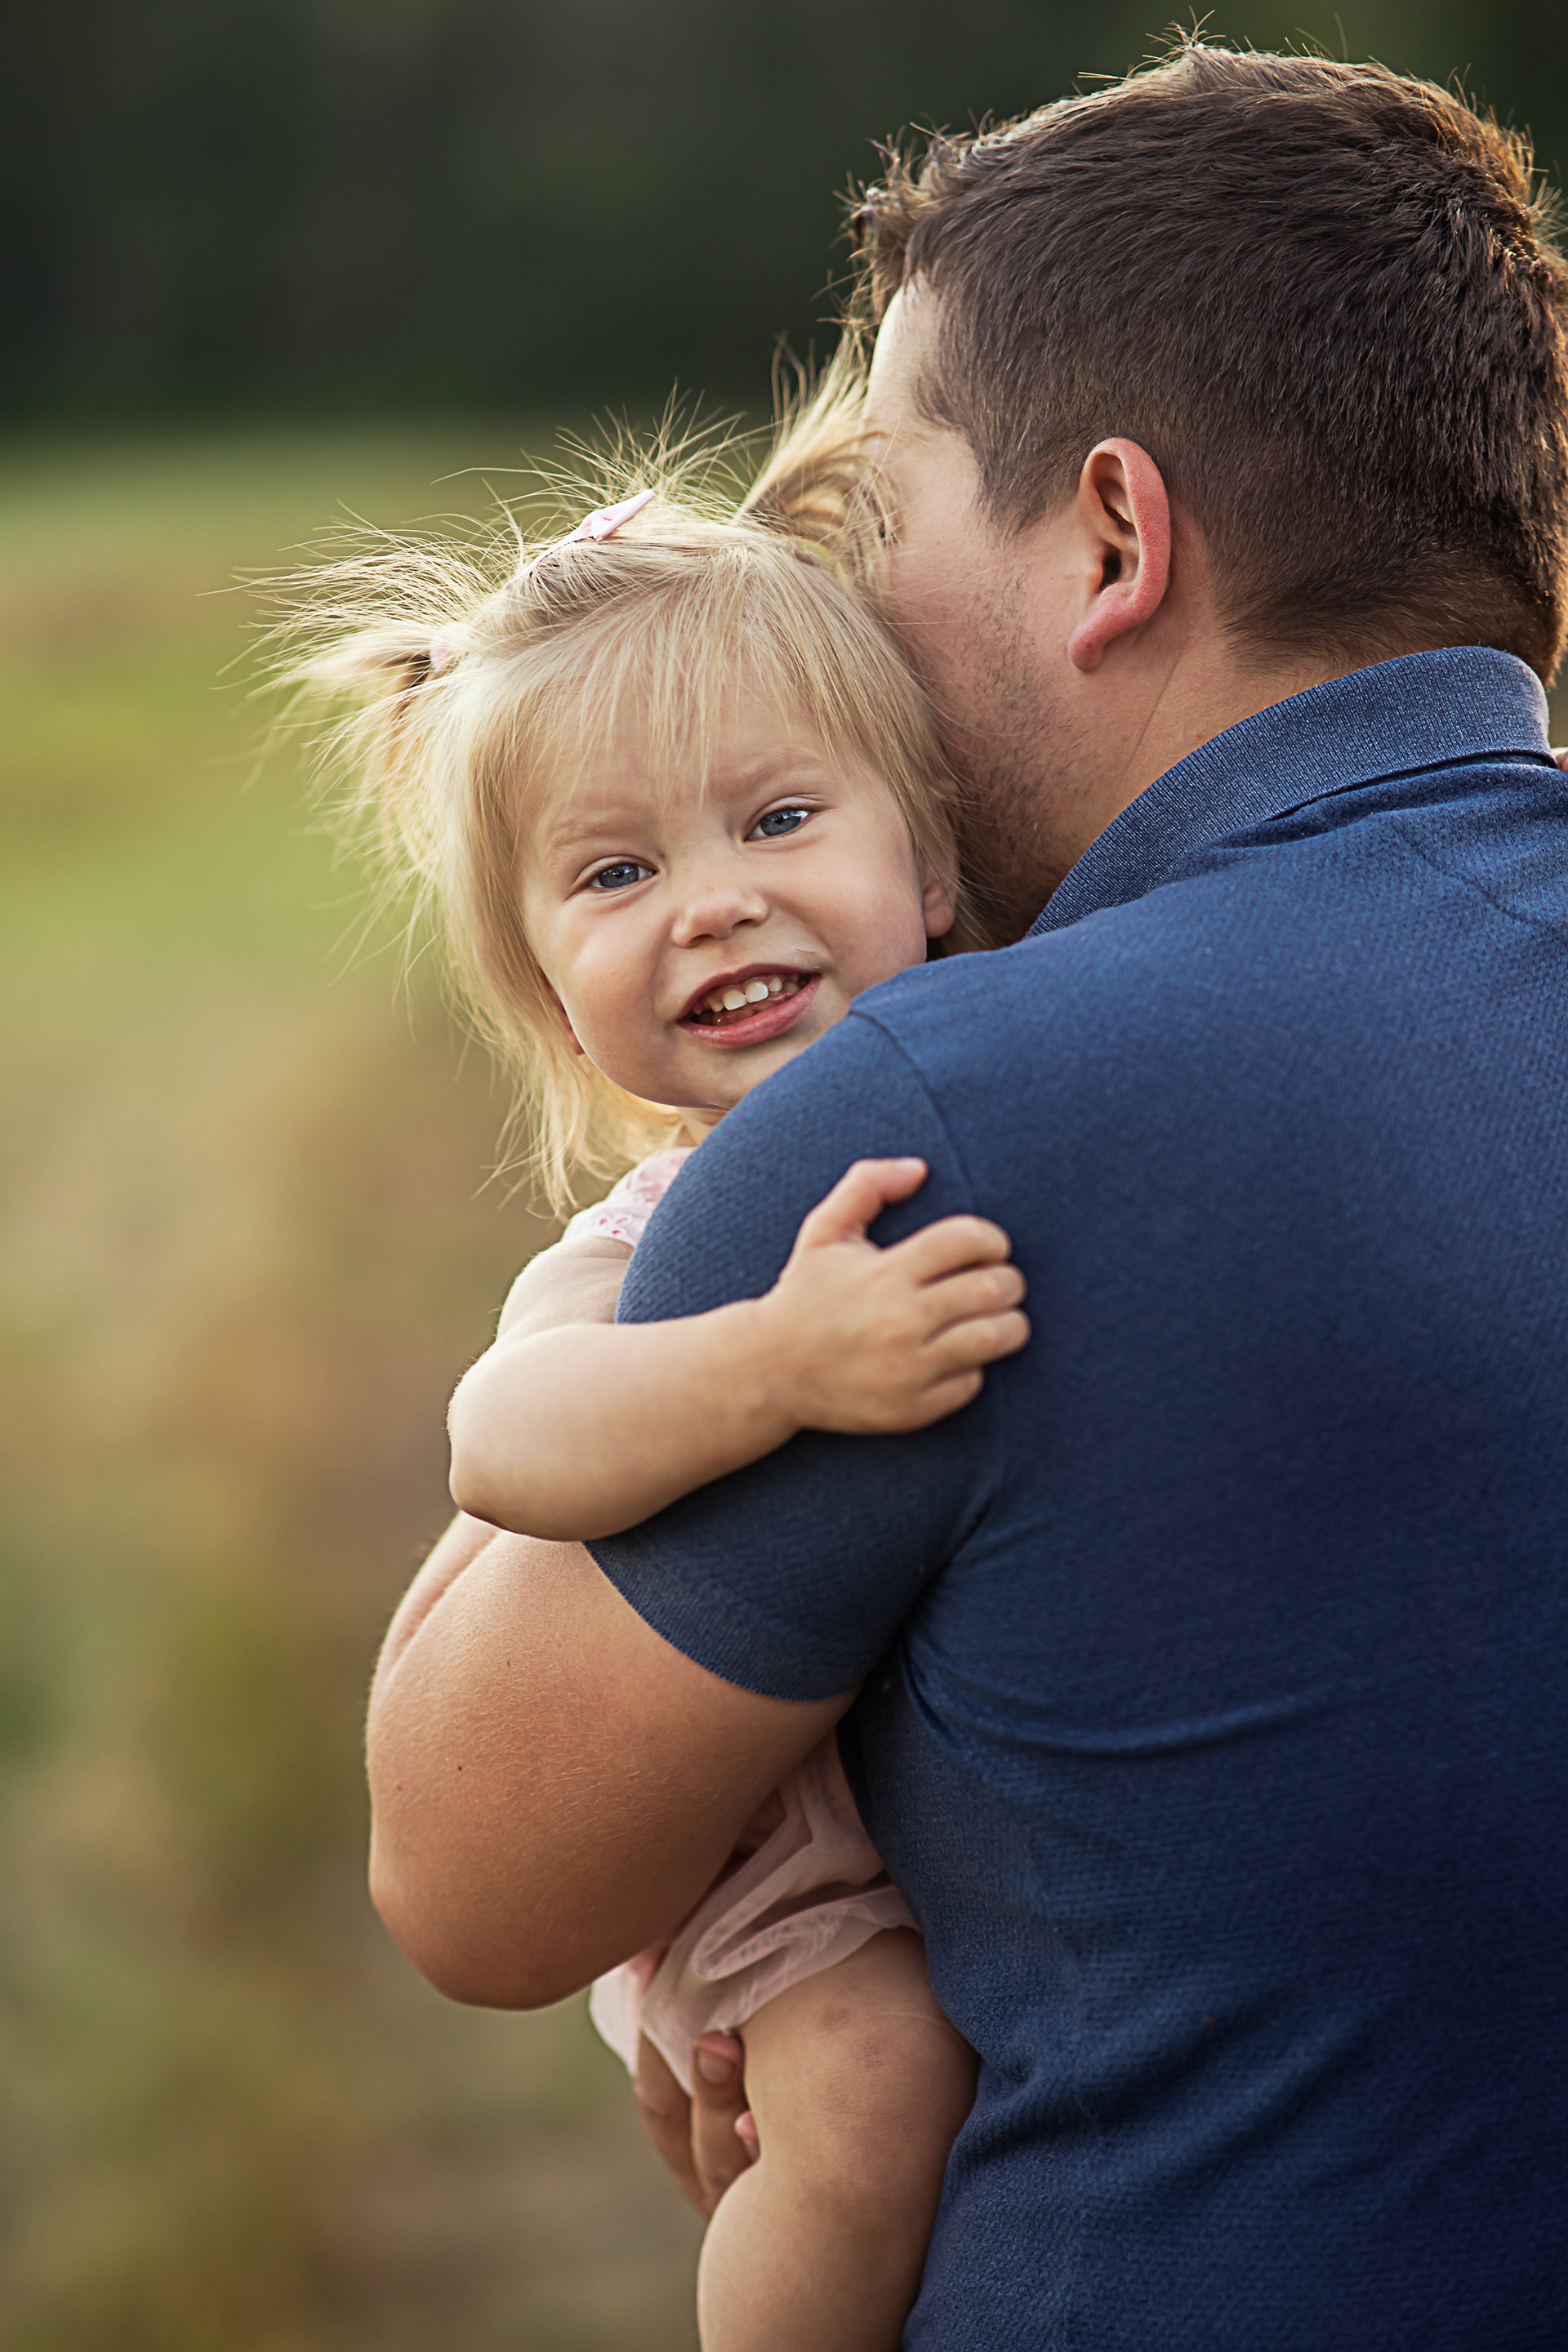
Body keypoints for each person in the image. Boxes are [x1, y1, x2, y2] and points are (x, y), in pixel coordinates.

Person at [365, 43, 1568, 2351]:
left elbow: (474, 1880)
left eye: (881, 529)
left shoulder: (948, 1114)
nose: (871, 630)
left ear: (1114, 538)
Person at [278, 483, 1035, 2349]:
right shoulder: (666, 1231)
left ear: (933, 865)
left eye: (780, 820)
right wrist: (773, 1363)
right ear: (548, 994)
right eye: (615, 877)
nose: (713, 900)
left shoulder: (1034, 1043)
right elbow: (507, 1436)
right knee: (865, 2087)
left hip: (939, 1816)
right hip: (771, 1869)